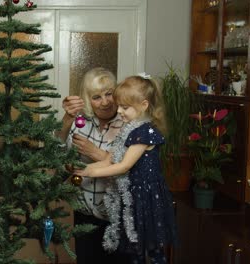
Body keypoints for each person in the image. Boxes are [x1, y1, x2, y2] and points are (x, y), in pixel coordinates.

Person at [74, 75, 177, 264]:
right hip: (132, 197)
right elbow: (110, 160)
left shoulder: (146, 131)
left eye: (125, 107)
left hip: (146, 198)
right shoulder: (129, 129)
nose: (119, 111)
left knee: (153, 250)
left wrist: (90, 173)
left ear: (144, 105)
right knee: (133, 249)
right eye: (119, 106)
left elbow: (124, 166)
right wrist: (83, 168)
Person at [58, 67, 130, 263]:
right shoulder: (81, 122)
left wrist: (94, 152)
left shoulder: (128, 123)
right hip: (85, 215)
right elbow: (57, 152)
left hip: (118, 217)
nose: (105, 102)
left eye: (109, 94)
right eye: (97, 97)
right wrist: (67, 118)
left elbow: (130, 170)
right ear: (87, 99)